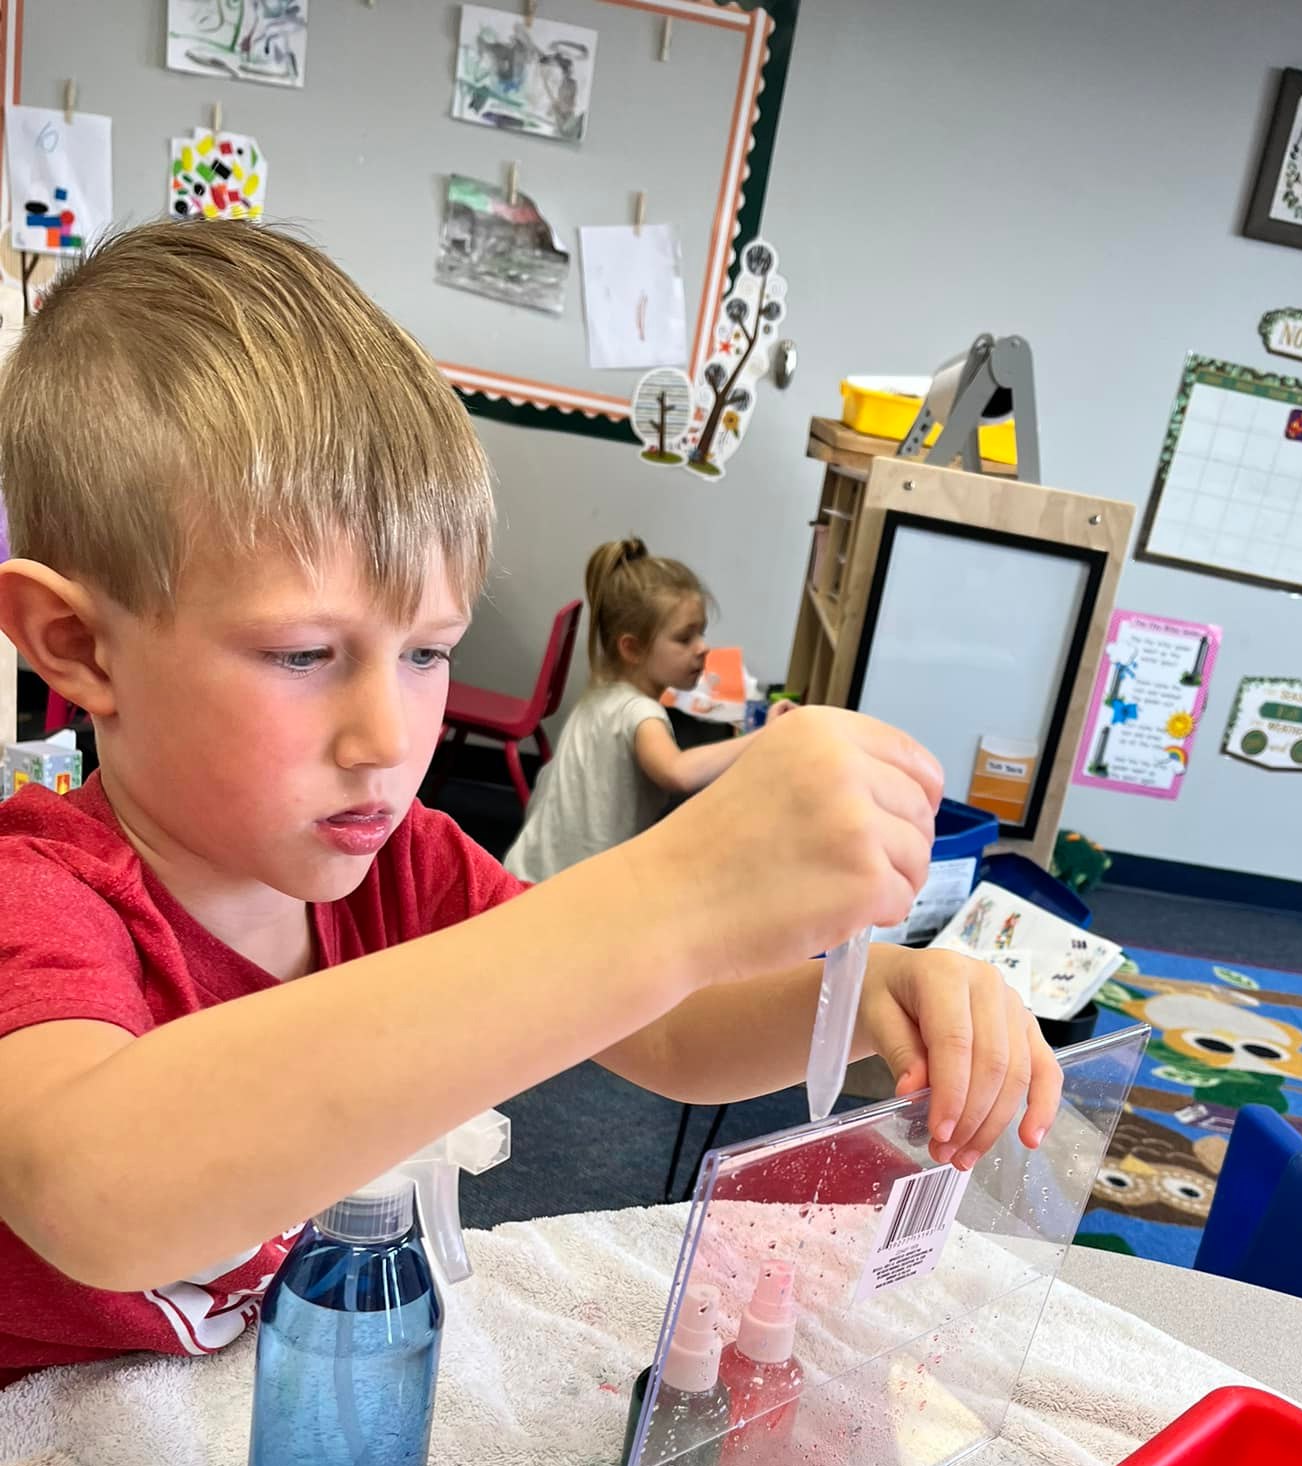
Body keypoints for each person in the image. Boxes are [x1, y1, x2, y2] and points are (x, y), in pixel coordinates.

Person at [0, 220, 1060, 1374]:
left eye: (427, 652)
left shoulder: (409, 864)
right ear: (77, 645)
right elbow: (97, 1188)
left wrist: (876, 995)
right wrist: (674, 891)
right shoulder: (38, 898)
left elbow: (659, 1021)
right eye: (303, 654)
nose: (387, 738)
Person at [505, 537, 781, 883]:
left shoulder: (601, 695)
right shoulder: (640, 713)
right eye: (685, 638)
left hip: (527, 871)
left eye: (702, 633)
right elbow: (677, 772)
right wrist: (767, 736)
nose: (703, 647)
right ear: (632, 649)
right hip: (561, 890)